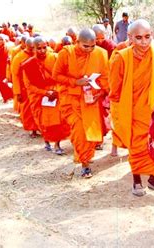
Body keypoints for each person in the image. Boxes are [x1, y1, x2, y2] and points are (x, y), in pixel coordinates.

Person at [109, 19, 154, 196]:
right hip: (133, 112)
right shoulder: (121, 58)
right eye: (138, 38)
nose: (144, 42)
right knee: (136, 147)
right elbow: (115, 90)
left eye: (147, 36)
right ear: (129, 37)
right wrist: (114, 114)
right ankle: (136, 179)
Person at [52, 28, 109, 179]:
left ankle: (85, 158)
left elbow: (105, 78)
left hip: (91, 99)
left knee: (90, 132)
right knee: (79, 132)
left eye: (93, 46)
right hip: (71, 99)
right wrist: (75, 82)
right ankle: (85, 164)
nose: (90, 50)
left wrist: (101, 93)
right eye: (85, 46)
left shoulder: (101, 53)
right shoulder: (66, 53)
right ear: (77, 42)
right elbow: (56, 75)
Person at [22, 37, 71, 154]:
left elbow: (63, 74)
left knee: (57, 120)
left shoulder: (54, 57)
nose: (42, 51)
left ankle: (57, 144)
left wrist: (57, 91)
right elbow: (29, 86)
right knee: (42, 121)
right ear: (33, 49)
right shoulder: (28, 65)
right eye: (39, 48)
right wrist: (45, 93)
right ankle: (47, 141)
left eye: (44, 48)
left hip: (55, 93)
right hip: (39, 96)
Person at [11, 38, 39, 138]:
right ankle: (32, 129)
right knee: (28, 109)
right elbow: (15, 75)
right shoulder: (19, 57)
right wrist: (17, 92)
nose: (33, 50)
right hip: (24, 88)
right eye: (31, 48)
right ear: (26, 46)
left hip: (38, 86)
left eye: (34, 48)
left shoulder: (38, 54)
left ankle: (40, 127)